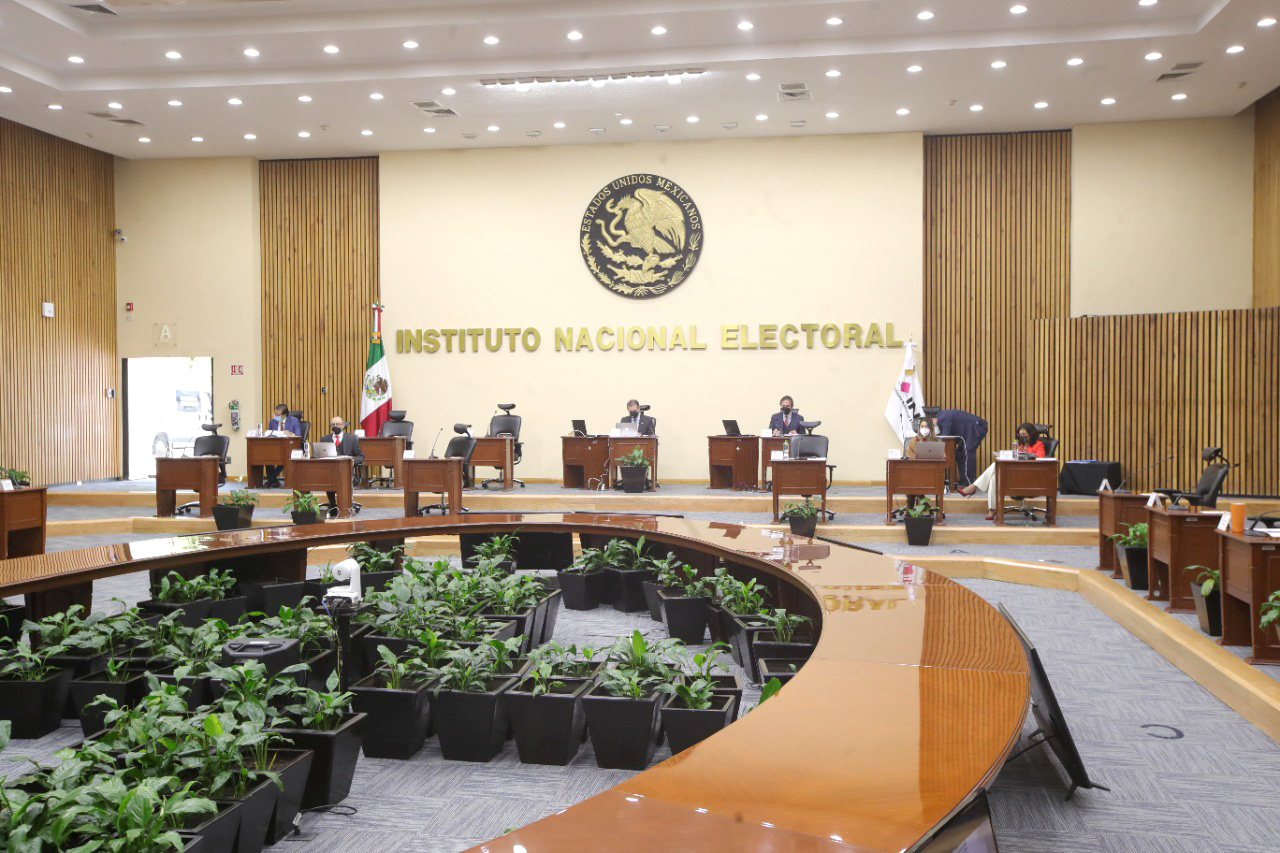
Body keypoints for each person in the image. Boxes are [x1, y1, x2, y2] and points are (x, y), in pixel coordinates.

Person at [957, 422, 1047, 520]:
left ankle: (973, 488)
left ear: (1031, 434)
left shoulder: (1038, 444)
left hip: (1029, 477)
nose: (1022, 437)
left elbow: (1040, 459)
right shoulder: (1020, 445)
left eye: (1024, 435)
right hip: (1016, 474)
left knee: (995, 466)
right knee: (994, 477)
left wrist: (1026, 455)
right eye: (1020, 435)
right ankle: (991, 510)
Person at [318, 416, 363, 516]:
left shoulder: (351, 439)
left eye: (338, 424)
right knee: (329, 478)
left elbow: (360, 457)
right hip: (330, 472)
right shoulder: (325, 439)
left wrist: (350, 460)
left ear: (343, 425)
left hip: (347, 473)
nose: (335, 426)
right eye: (333, 424)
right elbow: (320, 456)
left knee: (341, 479)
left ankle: (344, 506)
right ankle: (333, 504)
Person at [264, 403, 302, 487]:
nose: (275, 417)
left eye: (278, 415)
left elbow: (298, 435)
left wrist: (290, 433)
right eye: (275, 414)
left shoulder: (294, 421)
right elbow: (269, 434)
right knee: (267, 456)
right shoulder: (273, 422)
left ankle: (271, 480)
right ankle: (274, 480)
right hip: (275, 447)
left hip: (289, 447)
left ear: (284, 415)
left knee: (284, 457)